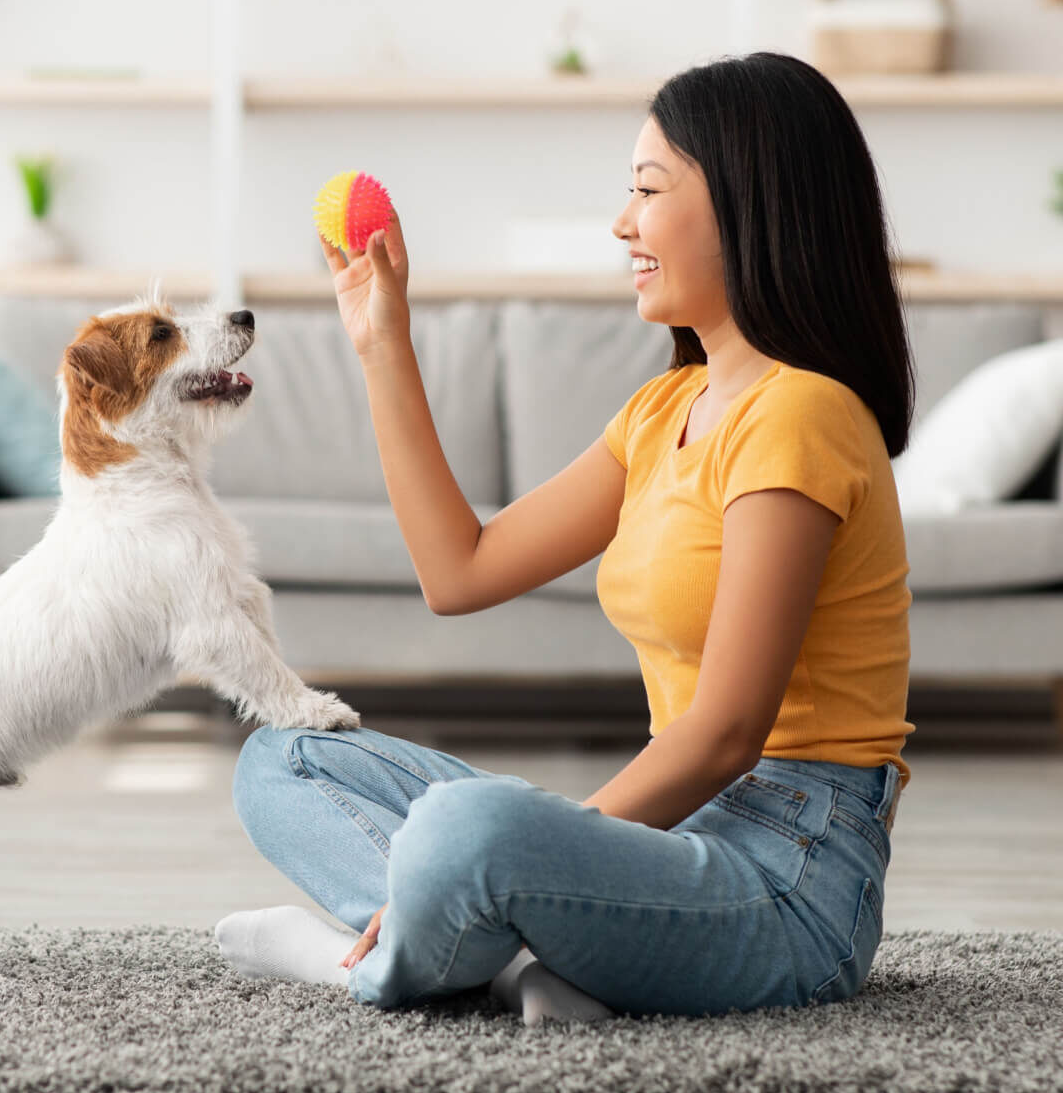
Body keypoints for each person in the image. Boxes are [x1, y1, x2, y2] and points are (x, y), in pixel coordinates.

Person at [214, 50, 916, 1025]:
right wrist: (382, 344)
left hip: (788, 877)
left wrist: (529, 844)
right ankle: (515, 967)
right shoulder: (660, 408)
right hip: (673, 837)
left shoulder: (799, 414)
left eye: (645, 189)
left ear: (748, 204)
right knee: (284, 758)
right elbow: (457, 571)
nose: (621, 221)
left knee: (469, 831)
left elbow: (723, 734)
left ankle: (352, 959)